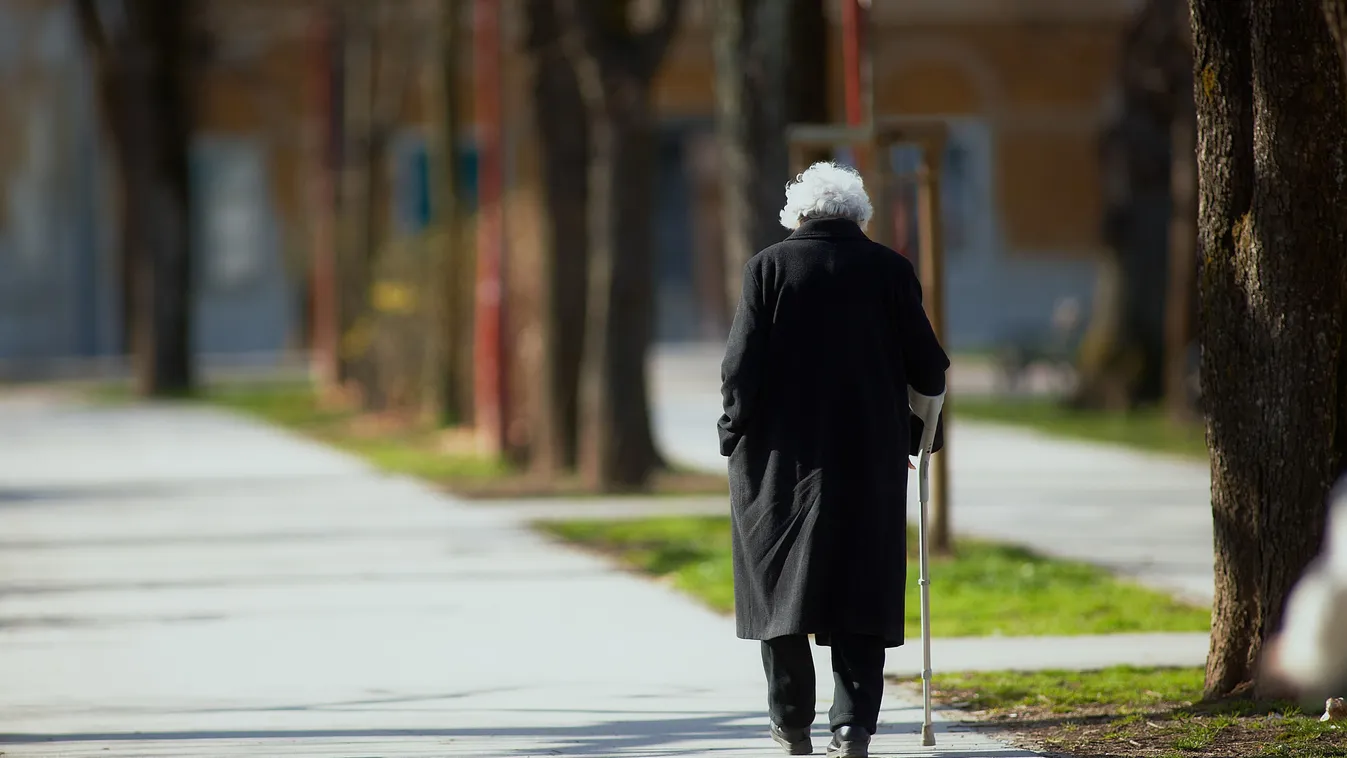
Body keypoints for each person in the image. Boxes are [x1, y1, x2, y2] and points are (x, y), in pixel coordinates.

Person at [718, 162, 949, 757]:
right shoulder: (891, 270)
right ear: (858, 216)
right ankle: (852, 727)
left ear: (798, 215)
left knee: (779, 595)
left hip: (778, 463)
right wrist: (922, 435)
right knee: (860, 589)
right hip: (867, 457)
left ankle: (791, 724)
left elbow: (740, 370)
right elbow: (930, 367)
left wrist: (731, 431)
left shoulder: (767, 268)